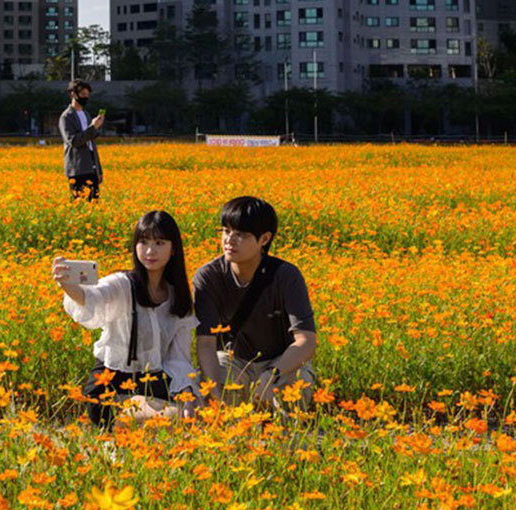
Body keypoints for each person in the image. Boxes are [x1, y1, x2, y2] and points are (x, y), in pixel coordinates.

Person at [53, 210, 197, 426]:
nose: (150, 251)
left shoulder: (178, 298)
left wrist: (188, 395)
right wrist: (69, 286)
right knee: (172, 418)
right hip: (111, 386)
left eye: (159, 242)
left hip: (153, 384)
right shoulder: (122, 284)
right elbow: (93, 297)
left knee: (196, 412)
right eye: (143, 242)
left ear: (173, 248)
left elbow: (178, 358)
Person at [192, 195, 318, 411]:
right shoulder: (208, 276)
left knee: (296, 387)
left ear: (264, 239)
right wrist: (212, 393)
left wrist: (273, 374)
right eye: (226, 231)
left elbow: (306, 341)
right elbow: (205, 343)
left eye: (240, 234)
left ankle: (283, 433)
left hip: (280, 361)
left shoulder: (287, 276)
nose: (229, 240)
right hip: (235, 360)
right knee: (214, 383)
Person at [58, 79, 105, 201]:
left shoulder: (86, 114)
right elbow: (74, 141)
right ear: (73, 94)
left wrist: (99, 170)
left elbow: (91, 141)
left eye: (87, 95)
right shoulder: (66, 117)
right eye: (83, 94)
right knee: (79, 203)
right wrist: (92, 127)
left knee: (94, 203)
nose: (86, 98)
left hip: (91, 165)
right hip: (78, 168)